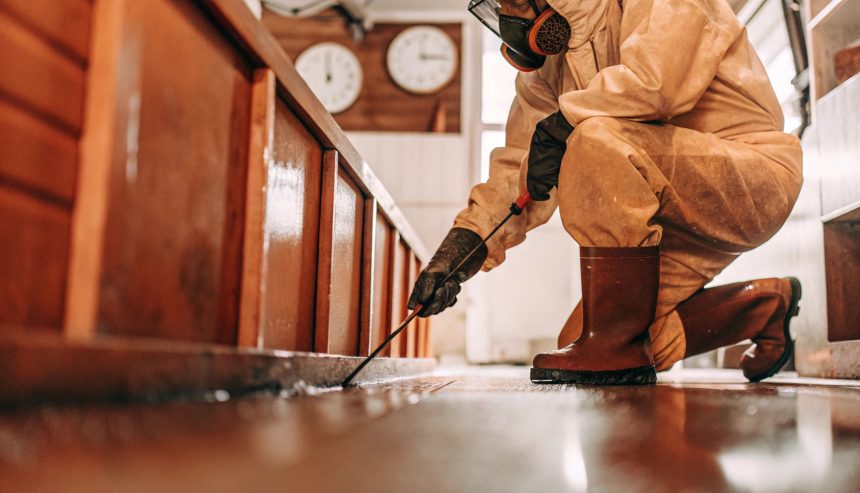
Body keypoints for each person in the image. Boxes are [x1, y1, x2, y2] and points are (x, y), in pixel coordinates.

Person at [407, 0, 803, 385]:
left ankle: (615, 346)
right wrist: (465, 245)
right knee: (591, 339)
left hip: (750, 180)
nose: (506, 18)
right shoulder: (548, 73)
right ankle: (764, 307)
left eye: (510, 3)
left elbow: (657, 83)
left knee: (595, 137)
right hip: (669, 217)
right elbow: (519, 166)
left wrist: (568, 122)